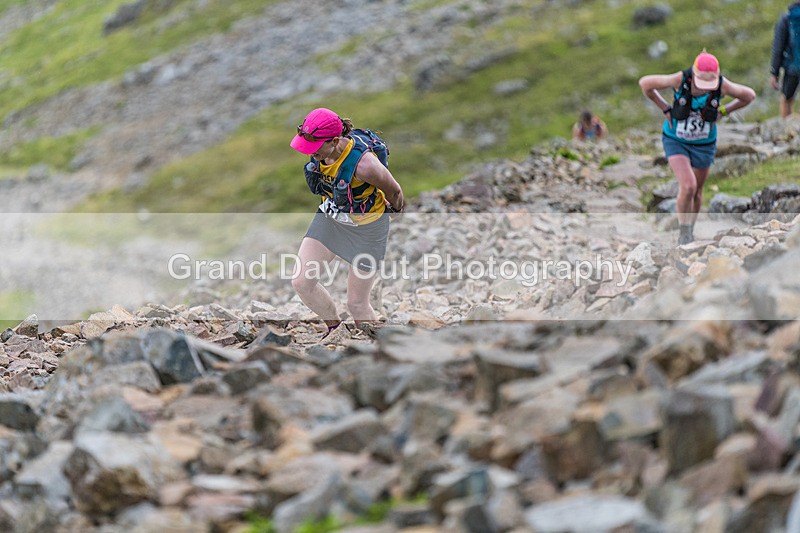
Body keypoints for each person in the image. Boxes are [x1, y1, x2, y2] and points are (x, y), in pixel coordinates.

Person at [289, 107, 404, 341]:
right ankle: (335, 329)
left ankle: (382, 350)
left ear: (334, 141)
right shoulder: (320, 151)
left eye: (314, 148)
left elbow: (395, 191)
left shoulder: (366, 166)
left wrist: (395, 209)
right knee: (302, 282)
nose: (308, 153)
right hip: (330, 220)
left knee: (357, 305)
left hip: (367, 231)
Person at [639, 51, 756, 245]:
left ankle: (690, 230)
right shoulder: (680, 79)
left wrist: (725, 111)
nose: (705, 88)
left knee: (698, 190)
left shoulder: (722, 85)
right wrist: (665, 107)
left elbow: (749, 96)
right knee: (688, 185)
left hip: (704, 144)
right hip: (675, 140)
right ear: (694, 73)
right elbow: (645, 84)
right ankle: (683, 233)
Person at [770, 2, 800, 117]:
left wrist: (774, 73)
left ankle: (785, 128)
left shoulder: (787, 18)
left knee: (787, 99)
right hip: (793, 65)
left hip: (793, 66)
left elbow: (778, 48)